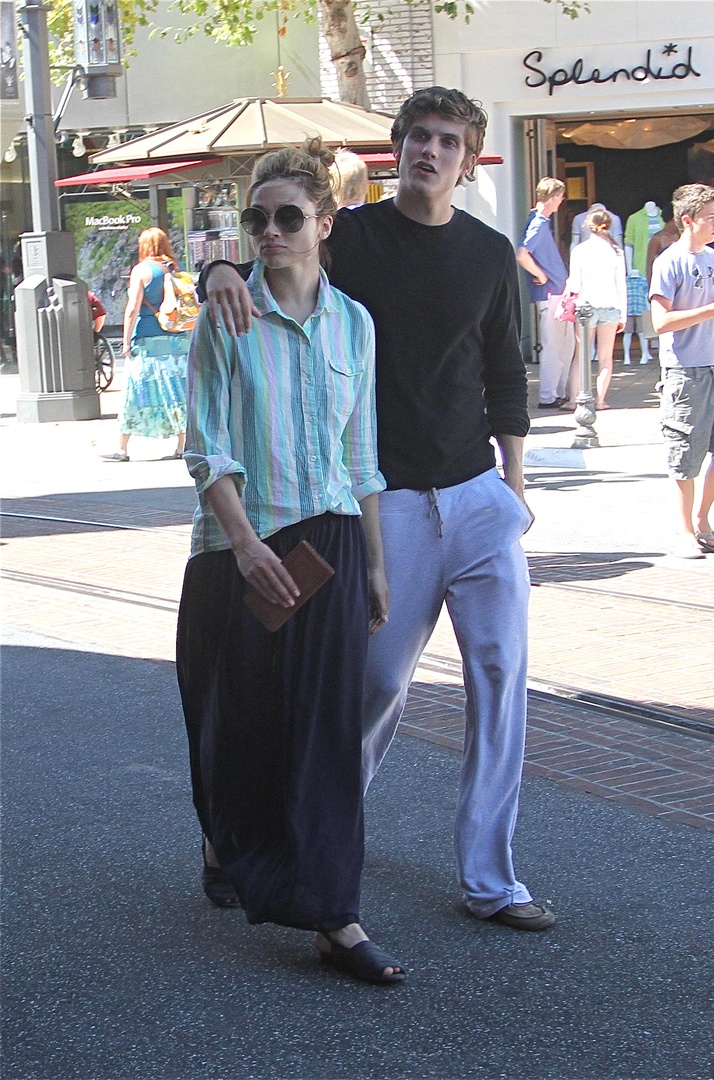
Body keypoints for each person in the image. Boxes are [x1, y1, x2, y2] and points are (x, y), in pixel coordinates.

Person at [199, 86, 556, 933]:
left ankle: (491, 880)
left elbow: (505, 373)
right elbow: (269, 252)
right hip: (386, 499)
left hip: (479, 497)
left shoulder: (489, 252)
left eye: (448, 141)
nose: (430, 151)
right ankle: (307, 844)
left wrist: (514, 487)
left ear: (467, 161)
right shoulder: (348, 235)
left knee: (501, 677)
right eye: (418, 136)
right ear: (397, 149)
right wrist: (215, 269)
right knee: (372, 687)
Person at [176, 138, 405, 985]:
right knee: (237, 725)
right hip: (239, 546)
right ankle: (223, 839)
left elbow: (361, 453)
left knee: (326, 734)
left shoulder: (355, 324)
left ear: (324, 223)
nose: (270, 232)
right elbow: (206, 449)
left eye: (288, 217)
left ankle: (335, 917)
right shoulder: (225, 313)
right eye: (257, 219)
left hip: (330, 543)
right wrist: (242, 546)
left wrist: (374, 562)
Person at [650, 183, 714, 559]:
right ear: (687, 220)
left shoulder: (711, 257)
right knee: (685, 456)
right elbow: (661, 322)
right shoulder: (669, 262)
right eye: (710, 218)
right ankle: (685, 530)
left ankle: (702, 521)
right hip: (685, 373)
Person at [100, 227, 188, 462]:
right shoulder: (175, 267)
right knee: (176, 390)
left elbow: (132, 309)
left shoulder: (141, 270)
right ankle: (182, 446)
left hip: (148, 339)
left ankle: (122, 449)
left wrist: (126, 341)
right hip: (177, 338)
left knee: (134, 391)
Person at [517, 177, 576, 410]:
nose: (561, 201)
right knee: (555, 346)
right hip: (551, 293)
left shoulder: (539, 221)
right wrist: (541, 275)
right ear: (552, 198)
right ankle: (549, 395)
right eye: (560, 197)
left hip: (555, 292)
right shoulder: (539, 223)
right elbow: (522, 254)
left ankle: (556, 391)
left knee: (564, 345)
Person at [565, 209, 627, 410]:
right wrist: (623, 315)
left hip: (585, 307)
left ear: (587, 225)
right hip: (611, 306)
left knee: (580, 356)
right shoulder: (616, 251)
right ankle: (600, 401)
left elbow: (575, 284)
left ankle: (574, 399)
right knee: (606, 358)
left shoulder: (580, 251)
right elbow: (621, 284)